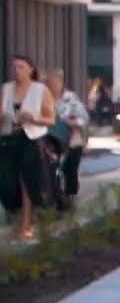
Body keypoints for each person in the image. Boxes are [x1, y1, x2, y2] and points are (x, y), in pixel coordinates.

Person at [0, 55, 57, 240]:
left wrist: (34, 118)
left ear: (31, 69)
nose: (17, 71)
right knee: (6, 180)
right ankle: (17, 215)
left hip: (31, 137)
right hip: (9, 137)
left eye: (21, 67)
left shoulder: (40, 90)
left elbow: (51, 119)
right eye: (15, 67)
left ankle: (26, 225)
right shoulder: (6, 88)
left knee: (27, 181)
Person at [46, 68, 90, 203]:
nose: (54, 84)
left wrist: (74, 122)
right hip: (51, 140)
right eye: (51, 81)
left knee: (70, 169)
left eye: (57, 81)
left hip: (72, 139)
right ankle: (55, 198)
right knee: (51, 169)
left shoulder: (70, 98)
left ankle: (70, 197)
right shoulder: (45, 99)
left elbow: (84, 118)